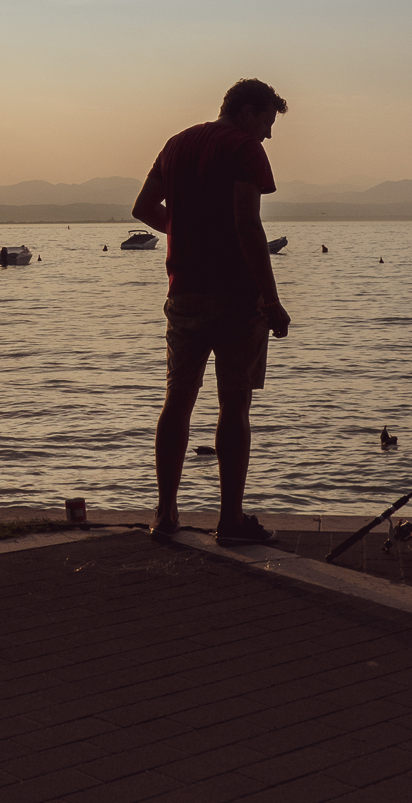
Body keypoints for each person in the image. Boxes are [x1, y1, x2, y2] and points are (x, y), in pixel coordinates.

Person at [132, 78, 292, 546]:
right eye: (266, 122)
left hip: (183, 294)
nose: (267, 134)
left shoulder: (177, 144)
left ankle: (164, 514)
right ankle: (231, 521)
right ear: (246, 112)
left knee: (177, 400)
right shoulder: (244, 148)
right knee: (234, 405)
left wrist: (184, 233)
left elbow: (143, 208)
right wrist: (272, 299)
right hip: (237, 297)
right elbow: (247, 224)